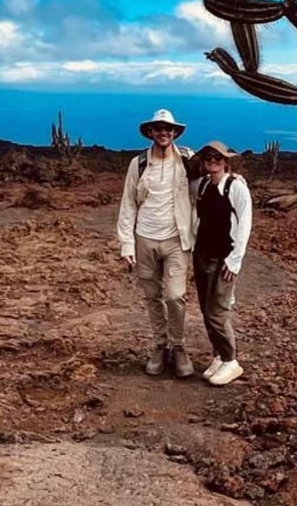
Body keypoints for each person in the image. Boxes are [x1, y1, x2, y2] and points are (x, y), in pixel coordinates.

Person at [115, 108, 198, 377]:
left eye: (169, 129)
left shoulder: (187, 159)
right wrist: (126, 244)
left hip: (176, 238)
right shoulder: (138, 163)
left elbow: (206, 182)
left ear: (175, 133)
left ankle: (179, 345)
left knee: (175, 296)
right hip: (145, 238)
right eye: (159, 128)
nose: (164, 133)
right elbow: (128, 203)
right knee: (152, 296)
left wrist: (234, 181)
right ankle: (160, 346)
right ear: (151, 132)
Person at [191, 140, 253, 387]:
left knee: (218, 311)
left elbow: (245, 223)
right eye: (208, 158)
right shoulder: (204, 184)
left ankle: (230, 359)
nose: (212, 161)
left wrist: (235, 261)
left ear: (226, 161)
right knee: (207, 309)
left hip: (224, 257)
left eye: (218, 158)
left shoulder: (235, 187)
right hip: (203, 254)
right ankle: (218, 355)